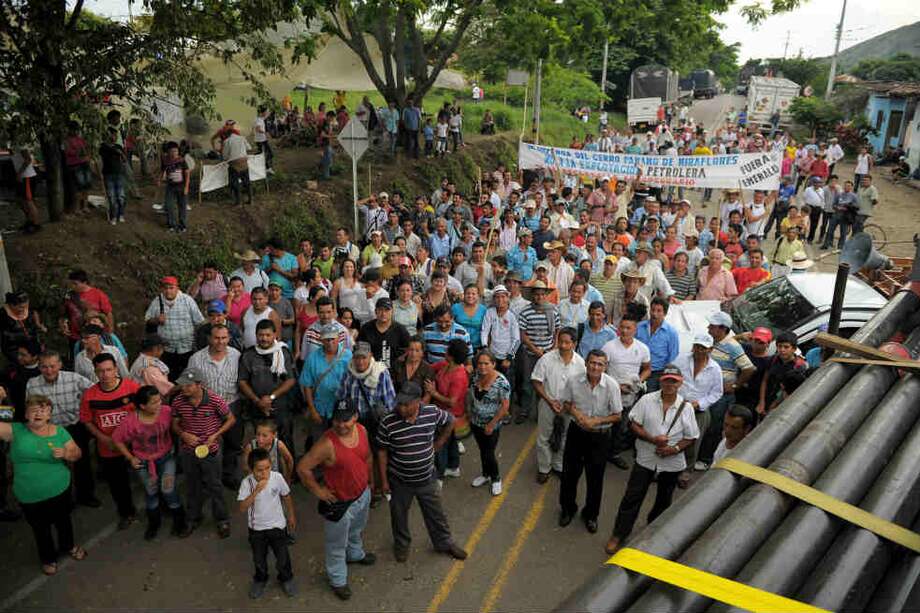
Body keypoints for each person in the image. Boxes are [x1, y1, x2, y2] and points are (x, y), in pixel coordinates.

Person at [605, 364, 699, 555]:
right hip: (646, 458)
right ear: (661, 381)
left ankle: (652, 538)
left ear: (680, 384)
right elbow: (634, 424)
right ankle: (619, 535)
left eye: (674, 382)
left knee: (663, 502)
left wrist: (673, 449)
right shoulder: (647, 400)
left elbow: (691, 437)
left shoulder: (686, 408)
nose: (670, 385)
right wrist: (652, 439)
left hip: (671, 464)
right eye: (667, 381)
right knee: (632, 498)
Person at [376, 382, 468, 562]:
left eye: (406, 404)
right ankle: (402, 544)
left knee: (436, 513)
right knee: (399, 515)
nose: (401, 408)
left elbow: (450, 420)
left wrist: (439, 443)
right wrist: (384, 481)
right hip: (400, 481)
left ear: (418, 402)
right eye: (399, 403)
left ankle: (444, 543)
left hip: (426, 478)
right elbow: (381, 451)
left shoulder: (431, 412)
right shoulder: (388, 421)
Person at [296, 401, 374, 601]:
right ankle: (338, 579)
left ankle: (355, 554)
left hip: (362, 494)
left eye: (346, 420)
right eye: (337, 420)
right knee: (336, 544)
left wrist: (370, 481)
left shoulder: (362, 430)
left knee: (357, 530)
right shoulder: (327, 443)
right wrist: (319, 491)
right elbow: (303, 467)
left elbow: (367, 457)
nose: (341, 425)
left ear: (355, 416)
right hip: (340, 504)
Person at [0, 394, 86, 575]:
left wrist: (65, 453)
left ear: (49, 415)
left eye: (43, 410)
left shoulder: (59, 431)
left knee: (64, 521)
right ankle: (48, 558)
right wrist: (4, 401)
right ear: (26, 414)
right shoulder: (14, 430)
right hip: (29, 493)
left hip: (60, 488)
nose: (38, 413)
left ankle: (68, 546)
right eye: (33, 410)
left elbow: (77, 453)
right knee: (40, 528)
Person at [557, 349, 622, 533]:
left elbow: (617, 415)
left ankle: (591, 515)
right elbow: (566, 403)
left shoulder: (612, 386)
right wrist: (578, 414)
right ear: (586, 363)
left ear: (605, 367)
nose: (595, 367)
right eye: (592, 363)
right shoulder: (573, 381)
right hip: (577, 433)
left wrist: (596, 421)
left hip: (600, 437)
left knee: (595, 478)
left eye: (600, 364)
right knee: (569, 474)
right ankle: (567, 509)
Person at [113, 386, 188, 540]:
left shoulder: (167, 411)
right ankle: (154, 523)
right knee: (151, 492)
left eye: (159, 400)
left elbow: (179, 424)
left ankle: (180, 521)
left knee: (168, 489)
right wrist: (130, 457)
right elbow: (117, 439)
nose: (159, 404)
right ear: (142, 406)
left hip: (166, 458)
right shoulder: (131, 421)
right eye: (154, 402)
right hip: (144, 463)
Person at [172, 367, 236, 539]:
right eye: (182, 385)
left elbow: (231, 419)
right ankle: (193, 518)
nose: (183, 388)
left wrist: (215, 435)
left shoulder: (214, 399)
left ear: (198, 385)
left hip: (211, 450)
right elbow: (175, 424)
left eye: (187, 385)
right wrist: (183, 434)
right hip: (188, 451)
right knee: (192, 486)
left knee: (215, 485)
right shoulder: (178, 401)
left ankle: (222, 519)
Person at [25, 351, 96, 506]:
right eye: (44, 367)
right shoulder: (32, 384)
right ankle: (64, 500)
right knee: (57, 465)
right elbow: (30, 408)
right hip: (51, 431)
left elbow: (94, 391)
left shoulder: (74, 378)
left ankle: (86, 496)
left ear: (59, 365)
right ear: (39, 367)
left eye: (52, 366)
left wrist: (87, 411)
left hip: (74, 427)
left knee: (81, 462)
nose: (49, 370)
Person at [80, 354, 140, 529]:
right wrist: (103, 438)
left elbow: (144, 412)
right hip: (108, 447)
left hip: (135, 444)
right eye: (100, 371)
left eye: (109, 370)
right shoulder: (90, 396)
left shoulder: (132, 388)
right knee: (118, 484)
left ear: (116, 369)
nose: (105, 374)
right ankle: (126, 513)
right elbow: (86, 420)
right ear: (95, 372)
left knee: (148, 476)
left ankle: (159, 506)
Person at [188, 324, 243, 489]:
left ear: (229, 338)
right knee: (210, 445)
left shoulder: (237, 355)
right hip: (208, 409)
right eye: (216, 338)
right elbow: (189, 382)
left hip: (232, 405)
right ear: (209, 338)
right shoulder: (196, 359)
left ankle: (229, 475)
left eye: (224, 338)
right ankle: (211, 478)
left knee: (233, 444)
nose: (220, 342)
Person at [697, 312, 754, 470]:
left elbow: (749, 368)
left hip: (722, 395)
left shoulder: (732, 346)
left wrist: (735, 385)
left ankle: (706, 459)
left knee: (714, 427)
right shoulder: (714, 341)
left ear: (722, 329)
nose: (709, 328)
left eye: (712, 326)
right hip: (709, 392)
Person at [238, 448, 297, 599]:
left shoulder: (277, 477)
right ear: (251, 470)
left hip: (278, 526)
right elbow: (242, 507)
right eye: (259, 470)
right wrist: (256, 491)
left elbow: (286, 496)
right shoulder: (247, 483)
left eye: (267, 468)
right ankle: (260, 579)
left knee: (283, 556)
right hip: (257, 529)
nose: (264, 473)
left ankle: (286, 578)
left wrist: (291, 515)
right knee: (259, 558)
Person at [531, 328, 586, 483]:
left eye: (567, 342)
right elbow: (536, 381)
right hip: (547, 404)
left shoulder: (581, 364)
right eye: (560, 341)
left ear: (574, 344)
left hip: (569, 408)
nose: (562, 345)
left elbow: (582, 388)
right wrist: (549, 401)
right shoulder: (546, 359)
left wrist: (569, 405)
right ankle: (544, 468)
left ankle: (558, 465)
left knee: (565, 437)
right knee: (544, 437)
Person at [239, 320, 298, 453]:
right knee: (261, 443)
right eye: (260, 335)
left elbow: (290, 380)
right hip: (257, 408)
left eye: (267, 335)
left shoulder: (283, 352)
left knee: (285, 442)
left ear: (275, 335)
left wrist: (271, 397)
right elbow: (242, 381)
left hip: (281, 407)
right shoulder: (248, 355)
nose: (264, 338)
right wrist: (257, 401)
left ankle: (287, 473)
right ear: (256, 335)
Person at [673, 332, 722, 487]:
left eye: (703, 348)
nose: (699, 350)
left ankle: (686, 471)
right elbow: (671, 375)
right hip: (677, 404)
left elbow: (717, 393)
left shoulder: (715, 369)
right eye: (697, 346)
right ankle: (664, 469)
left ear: (710, 350)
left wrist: (699, 403)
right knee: (671, 436)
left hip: (698, 411)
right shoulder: (681, 359)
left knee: (692, 441)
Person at [602, 314, 651, 470]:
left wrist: (639, 381)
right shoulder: (609, 347)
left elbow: (648, 369)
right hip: (610, 394)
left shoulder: (642, 349)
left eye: (628, 328)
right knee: (605, 426)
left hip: (630, 396)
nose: (624, 330)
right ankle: (600, 453)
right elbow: (601, 370)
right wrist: (616, 386)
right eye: (621, 327)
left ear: (635, 330)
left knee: (622, 427)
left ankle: (614, 454)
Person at [467, 350, 511, 495]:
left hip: (491, 426)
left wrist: (492, 424)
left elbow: (505, 406)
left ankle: (496, 478)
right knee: (482, 450)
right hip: (475, 422)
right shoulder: (475, 377)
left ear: (493, 364)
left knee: (489, 452)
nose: (483, 366)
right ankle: (485, 475)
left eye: (486, 363)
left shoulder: (502, 383)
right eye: (480, 363)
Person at [426, 339, 469, 481]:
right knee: (451, 443)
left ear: (451, 355)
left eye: (447, 350)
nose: (444, 352)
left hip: (449, 416)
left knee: (441, 445)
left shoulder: (459, 375)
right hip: (444, 412)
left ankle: (439, 475)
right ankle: (453, 467)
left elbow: (452, 401)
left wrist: (433, 393)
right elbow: (430, 367)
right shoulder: (445, 365)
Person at [517, 281, 560, 424]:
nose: (539, 297)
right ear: (532, 296)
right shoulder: (525, 312)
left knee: (545, 384)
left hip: (548, 353)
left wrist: (553, 348)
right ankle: (524, 410)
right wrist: (535, 350)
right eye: (536, 294)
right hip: (530, 354)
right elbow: (523, 335)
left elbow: (557, 331)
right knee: (528, 383)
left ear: (546, 296)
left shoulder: (553, 311)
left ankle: (541, 412)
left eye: (542, 294)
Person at [145, 276, 204, 375]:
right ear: (162, 289)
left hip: (187, 348)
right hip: (167, 349)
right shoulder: (157, 301)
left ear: (177, 288)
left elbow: (199, 321)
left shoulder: (187, 300)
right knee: (169, 374)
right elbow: (147, 319)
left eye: (171, 288)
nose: (168, 291)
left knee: (187, 375)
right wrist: (156, 320)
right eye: (165, 288)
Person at [756, 330, 808, 417]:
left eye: (786, 347)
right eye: (779, 346)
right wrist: (762, 402)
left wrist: (772, 408)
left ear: (794, 349)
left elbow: (790, 393)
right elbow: (765, 380)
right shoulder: (773, 359)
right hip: (767, 400)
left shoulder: (799, 367)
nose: (782, 350)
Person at [636, 297, 680, 391]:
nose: (654, 314)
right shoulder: (639, 327)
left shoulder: (671, 333)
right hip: (636, 369)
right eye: (652, 310)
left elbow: (672, 357)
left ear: (665, 313)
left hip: (656, 373)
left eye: (659, 311)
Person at [358, 298, 411, 369]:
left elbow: (409, 348)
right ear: (375, 311)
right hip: (371, 370)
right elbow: (359, 350)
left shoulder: (400, 330)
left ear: (392, 311)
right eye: (380, 310)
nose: (383, 313)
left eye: (387, 310)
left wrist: (400, 360)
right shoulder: (366, 328)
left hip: (394, 372)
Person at [242, 420, 294, 485]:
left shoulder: (279, 445)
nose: (260, 439)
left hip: (275, 479)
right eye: (258, 434)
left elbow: (289, 460)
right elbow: (246, 467)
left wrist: (287, 477)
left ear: (274, 435)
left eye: (264, 436)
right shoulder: (250, 447)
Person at [160, 141, 190, 232]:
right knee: (169, 205)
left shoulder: (182, 161)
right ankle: (171, 224)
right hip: (170, 187)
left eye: (175, 151)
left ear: (178, 151)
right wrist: (159, 179)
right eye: (172, 151)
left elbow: (187, 174)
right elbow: (163, 171)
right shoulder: (165, 161)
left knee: (182, 207)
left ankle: (182, 226)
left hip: (181, 186)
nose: (174, 153)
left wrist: (186, 187)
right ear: (168, 152)